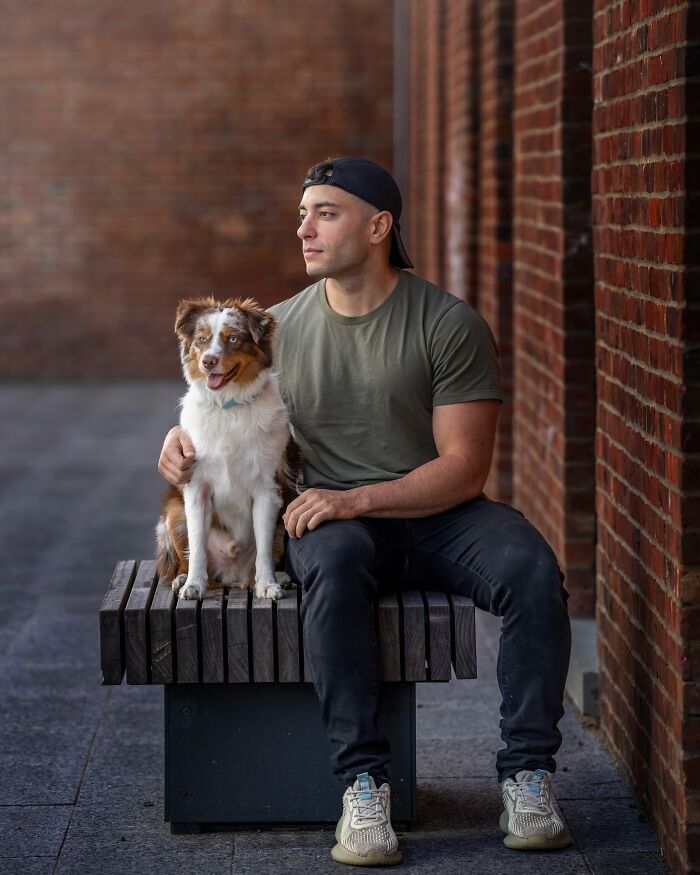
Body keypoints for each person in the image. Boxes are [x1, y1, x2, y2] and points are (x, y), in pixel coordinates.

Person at [158, 156, 572, 866]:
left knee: (532, 568)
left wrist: (357, 497)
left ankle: (528, 774)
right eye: (302, 214)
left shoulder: (447, 323)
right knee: (335, 566)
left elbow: (465, 466)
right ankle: (363, 785)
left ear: (378, 226)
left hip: (441, 514)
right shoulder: (277, 330)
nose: (304, 229)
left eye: (325, 212)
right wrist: (177, 444)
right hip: (337, 525)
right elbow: (216, 405)